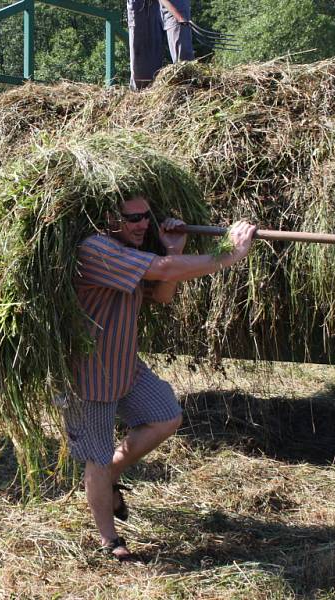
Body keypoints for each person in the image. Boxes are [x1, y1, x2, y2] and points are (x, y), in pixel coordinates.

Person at [66, 194, 256, 561]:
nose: (142, 225)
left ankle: (107, 480)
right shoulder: (96, 250)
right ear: (107, 218)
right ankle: (109, 541)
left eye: (146, 217)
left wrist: (171, 246)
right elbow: (166, 270)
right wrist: (229, 254)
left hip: (123, 364)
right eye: (132, 217)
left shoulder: (126, 250)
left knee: (166, 415)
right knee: (97, 458)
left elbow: (164, 294)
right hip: (87, 373)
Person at [128, 0, 194, 90]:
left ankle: (187, 90)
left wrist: (179, 17)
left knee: (183, 58)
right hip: (141, 4)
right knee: (142, 73)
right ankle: (143, 94)